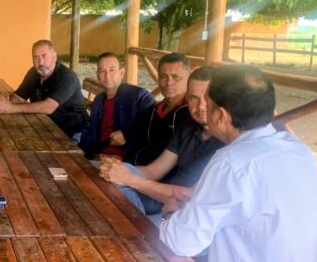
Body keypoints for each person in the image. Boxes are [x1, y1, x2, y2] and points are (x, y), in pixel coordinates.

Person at [159, 65, 317, 262]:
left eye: (207, 106)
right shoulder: (298, 151)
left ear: (220, 115)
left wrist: (171, 214)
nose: (202, 111)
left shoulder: (232, 161)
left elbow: (181, 241)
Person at [100, 66, 224, 218]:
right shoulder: (187, 122)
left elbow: (190, 199)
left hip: (183, 213)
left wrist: (131, 179)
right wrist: (117, 169)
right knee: (113, 173)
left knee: (119, 193)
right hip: (160, 195)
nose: (201, 106)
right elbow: (154, 171)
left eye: (208, 98)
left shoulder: (228, 142)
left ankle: (139, 231)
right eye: (193, 98)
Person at [0, 39, 87, 139]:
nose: (41, 62)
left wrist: (12, 108)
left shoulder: (66, 77)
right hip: (44, 126)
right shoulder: (34, 73)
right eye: (36, 57)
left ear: (54, 56)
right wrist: (4, 103)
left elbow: (49, 107)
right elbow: (19, 97)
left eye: (44, 56)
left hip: (72, 133)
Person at [79, 52, 156, 160]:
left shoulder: (139, 96)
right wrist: (89, 155)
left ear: (121, 72)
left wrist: (127, 135)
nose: (107, 75)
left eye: (112, 70)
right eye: (102, 71)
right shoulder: (99, 100)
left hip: (126, 163)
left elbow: (155, 124)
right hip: (98, 158)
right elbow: (89, 132)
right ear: (97, 75)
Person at [131, 52, 191, 166]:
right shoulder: (153, 110)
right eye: (164, 76)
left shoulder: (191, 114)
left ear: (188, 77)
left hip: (163, 180)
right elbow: (138, 144)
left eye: (175, 77)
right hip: (135, 169)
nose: (168, 83)